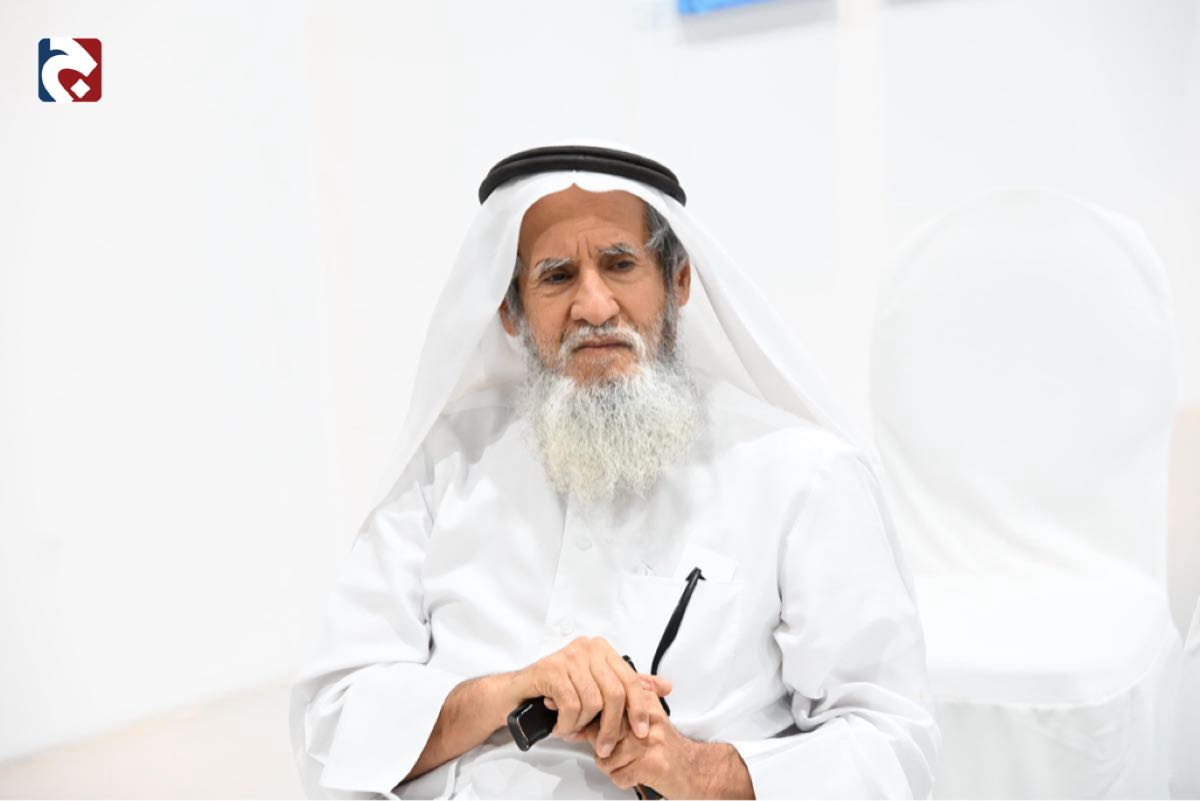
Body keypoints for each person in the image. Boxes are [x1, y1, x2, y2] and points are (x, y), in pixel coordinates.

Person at [289, 144, 940, 800]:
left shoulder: (801, 473)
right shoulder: (445, 465)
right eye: (556, 275)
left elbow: (892, 745)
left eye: (620, 264)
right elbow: (331, 721)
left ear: (678, 281)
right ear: (511, 309)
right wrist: (507, 693)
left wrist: (695, 770)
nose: (594, 306)